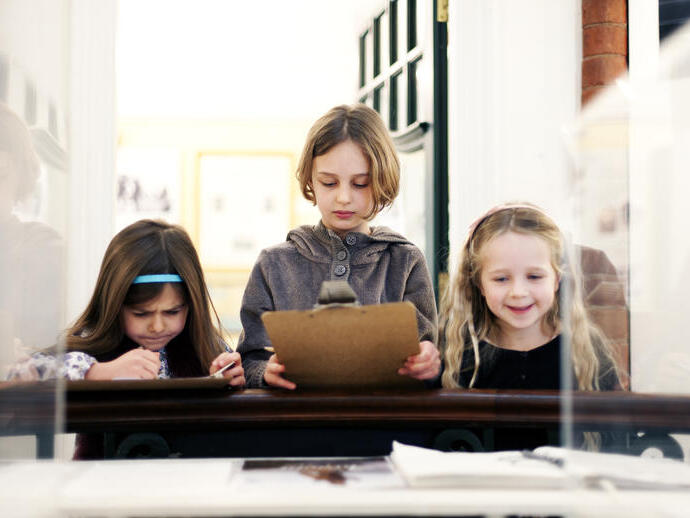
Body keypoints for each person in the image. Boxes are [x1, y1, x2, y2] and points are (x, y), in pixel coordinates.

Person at [237, 104, 440, 389]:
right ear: (310, 179)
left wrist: (430, 365)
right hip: (296, 426)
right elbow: (247, 360)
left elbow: (429, 357)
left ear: (383, 180)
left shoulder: (405, 260)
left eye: (360, 184)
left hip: (381, 424)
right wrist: (264, 372)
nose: (343, 197)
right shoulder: (273, 263)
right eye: (329, 183)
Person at [439, 203, 621, 449]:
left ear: (557, 279)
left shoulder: (585, 348)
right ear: (479, 283)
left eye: (534, 277)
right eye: (501, 279)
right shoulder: (457, 349)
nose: (518, 292)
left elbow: (613, 438)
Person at [9, 219, 244, 385]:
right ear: (114, 306)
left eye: (172, 312)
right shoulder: (87, 348)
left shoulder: (208, 348)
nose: (158, 326)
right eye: (141, 313)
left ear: (192, 306)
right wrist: (99, 372)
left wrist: (224, 380)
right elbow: (25, 371)